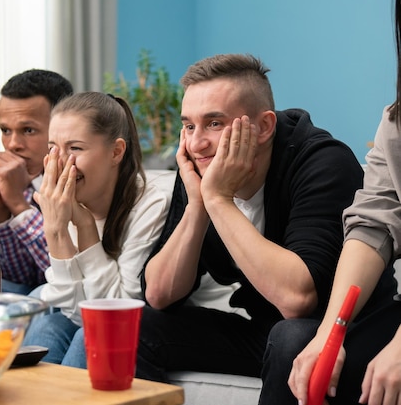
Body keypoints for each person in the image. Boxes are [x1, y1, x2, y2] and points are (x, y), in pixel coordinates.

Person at [134, 53, 364, 383]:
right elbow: (159, 294)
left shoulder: (323, 163)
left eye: (214, 123)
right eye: (188, 126)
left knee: (292, 336)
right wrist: (199, 205)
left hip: (343, 336)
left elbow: (296, 301)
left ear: (264, 127)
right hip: (265, 333)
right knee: (138, 325)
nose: (197, 143)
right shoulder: (204, 169)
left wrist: (218, 199)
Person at [259, 0, 401, 403]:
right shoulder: (396, 120)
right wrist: (329, 332)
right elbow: (373, 223)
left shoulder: (321, 160)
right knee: (296, 345)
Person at [21, 91, 171, 364]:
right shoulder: (73, 199)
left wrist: (65, 231)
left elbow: (112, 315)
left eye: (75, 148)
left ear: (116, 152)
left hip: (153, 324)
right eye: (53, 148)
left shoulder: (151, 205)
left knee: (87, 336)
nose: (61, 162)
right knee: (48, 325)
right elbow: (74, 311)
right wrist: (71, 226)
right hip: (97, 316)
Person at [0, 69, 73, 294]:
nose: (12, 144)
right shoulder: (21, 178)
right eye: (5, 130)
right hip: (35, 291)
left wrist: (19, 207)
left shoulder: (81, 179)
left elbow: (66, 278)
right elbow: (20, 275)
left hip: (72, 297)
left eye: (28, 130)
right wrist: (1, 213)